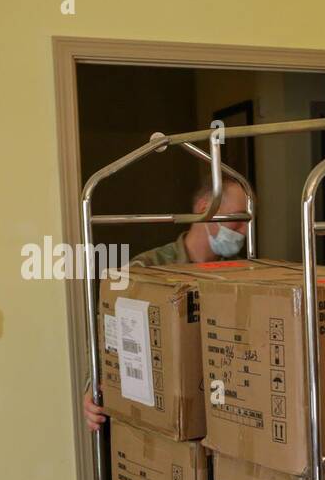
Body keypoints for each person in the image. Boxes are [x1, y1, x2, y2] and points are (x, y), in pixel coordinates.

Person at [82, 177, 250, 431]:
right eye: (237, 220)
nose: (244, 233)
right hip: (162, 412)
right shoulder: (150, 270)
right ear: (205, 207)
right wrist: (91, 387)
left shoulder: (244, 275)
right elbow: (109, 333)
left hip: (222, 410)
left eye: (247, 223)